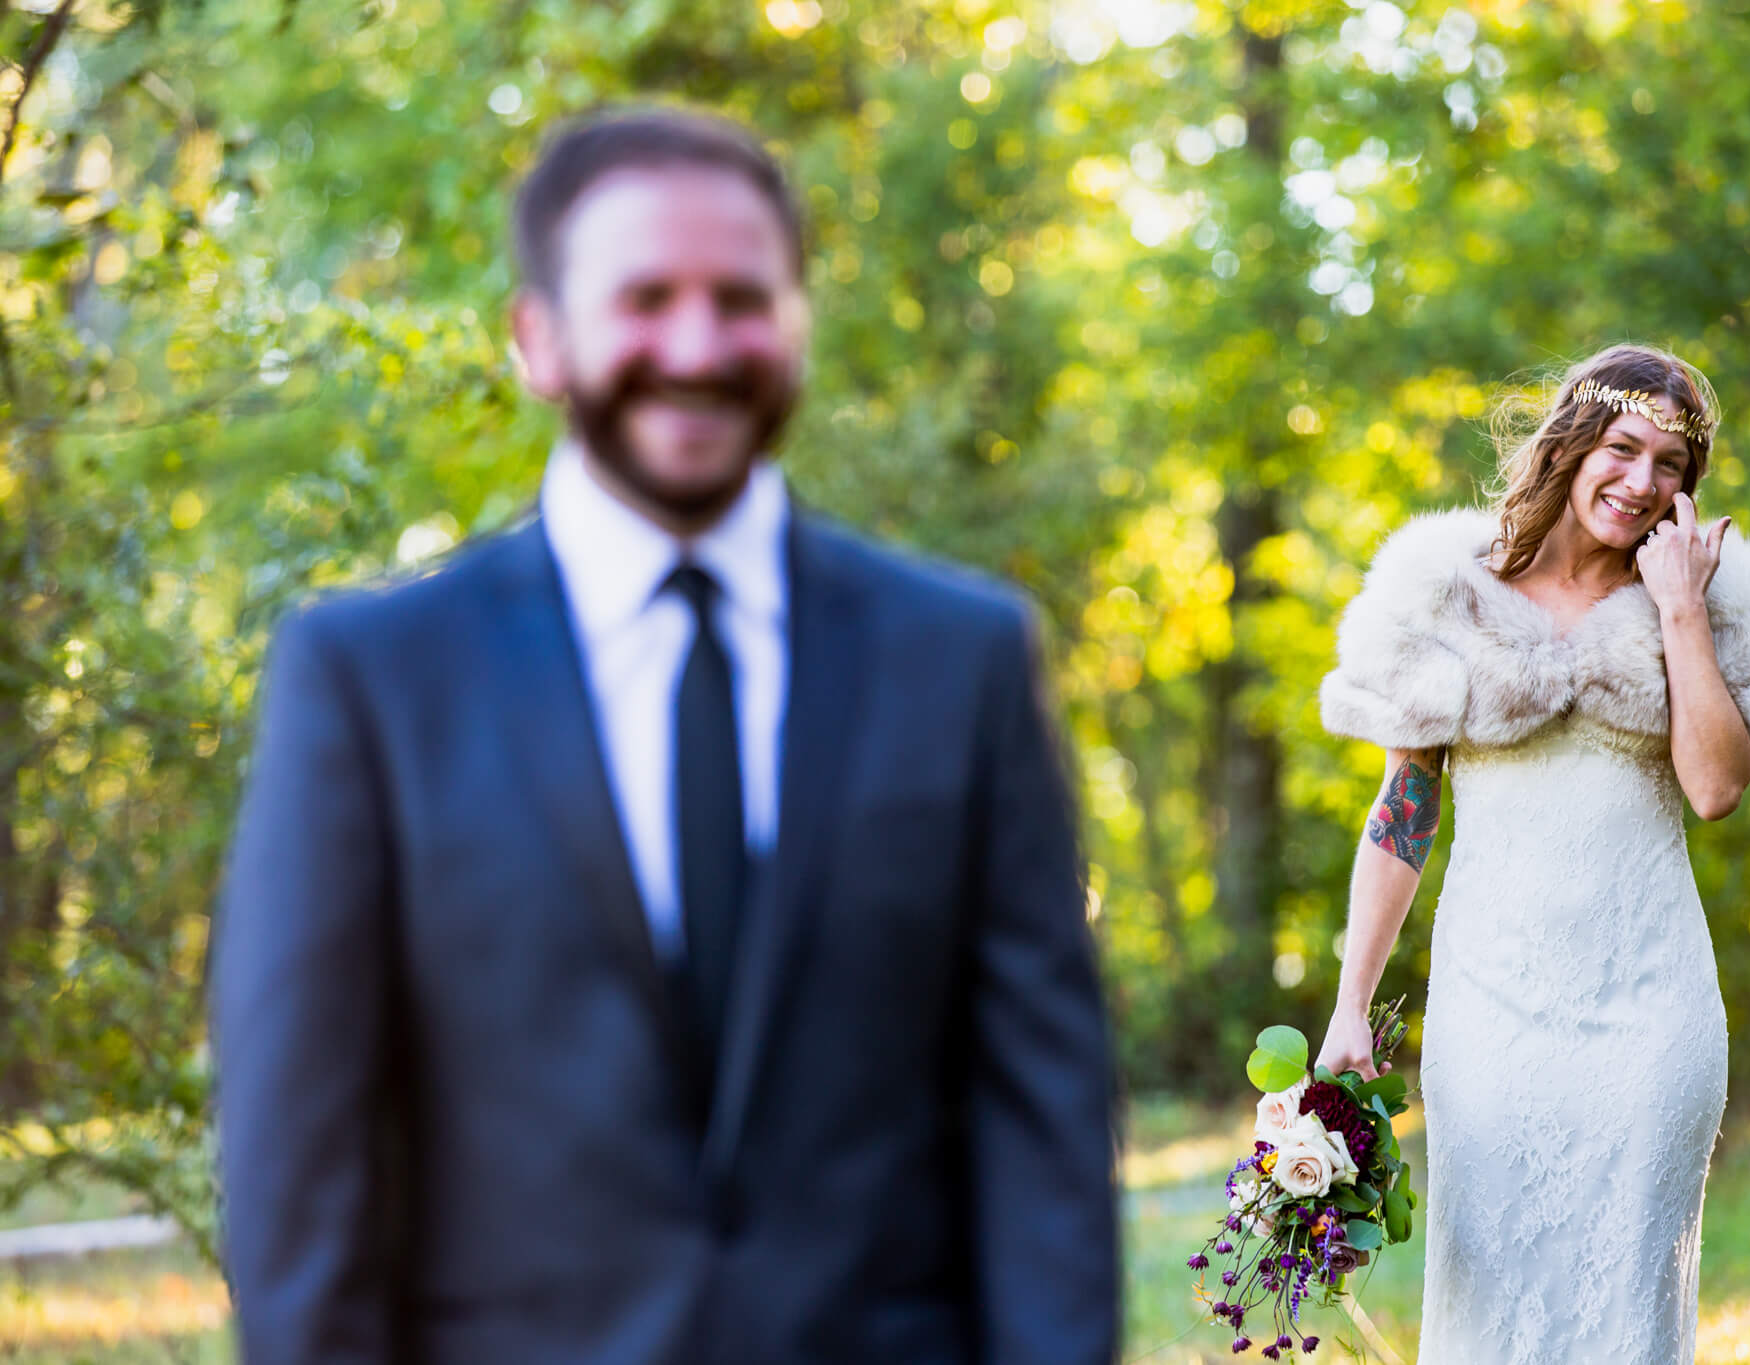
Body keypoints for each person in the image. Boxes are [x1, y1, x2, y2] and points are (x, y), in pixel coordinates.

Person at [210, 107, 1118, 1364]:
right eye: (644, 298)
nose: (696, 346)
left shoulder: (961, 659)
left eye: (741, 299)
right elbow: (296, 1152)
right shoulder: (369, 682)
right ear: (538, 338)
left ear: (797, 324)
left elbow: (1043, 1124)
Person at [1314, 344, 1750, 1363]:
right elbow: (1402, 813)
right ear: (1570, 443)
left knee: (1626, 1304)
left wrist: (1676, 609)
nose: (1639, 482)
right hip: (1490, 1010)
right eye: (1621, 448)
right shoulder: (1447, 592)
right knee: (1487, 1296)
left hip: (1650, 1007)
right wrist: (1349, 1009)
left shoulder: (1707, 601)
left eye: (1669, 465)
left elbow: (1714, 789)